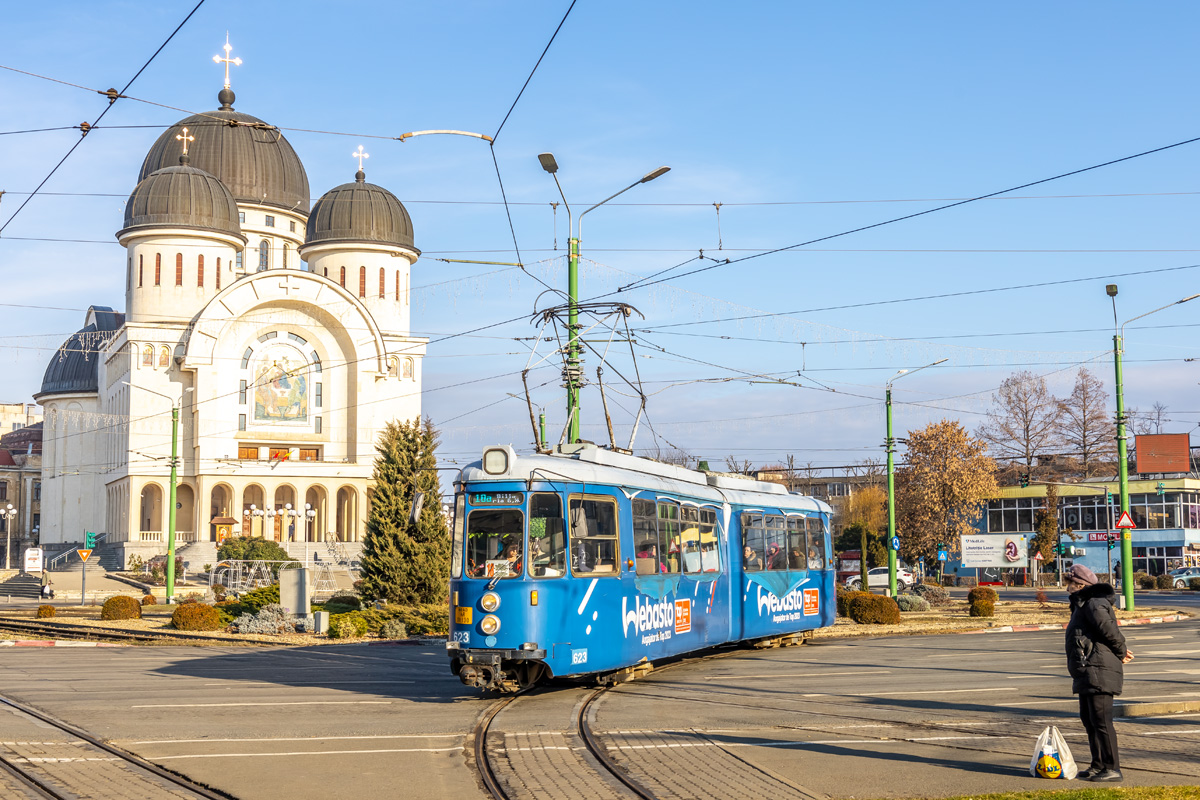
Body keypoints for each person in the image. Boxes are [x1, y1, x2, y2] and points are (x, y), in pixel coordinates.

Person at [1064, 563, 1132, 782]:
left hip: (1099, 668)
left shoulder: (1094, 603)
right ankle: (1098, 765)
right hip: (1087, 668)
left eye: (1070, 583)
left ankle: (1112, 768)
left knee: (1101, 720)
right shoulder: (1082, 604)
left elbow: (1110, 631)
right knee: (1089, 719)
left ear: (1080, 584)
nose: (1067, 587)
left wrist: (1122, 651)